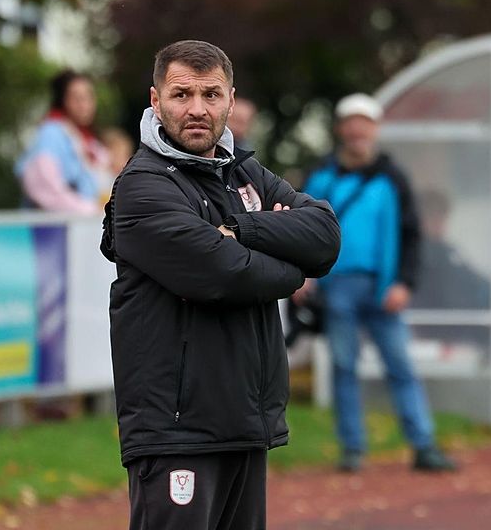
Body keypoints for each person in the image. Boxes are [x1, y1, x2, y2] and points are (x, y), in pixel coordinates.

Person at [100, 40, 340, 530]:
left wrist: (244, 230)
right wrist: (288, 269)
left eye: (211, 95)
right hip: (178, 431)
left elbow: (324, 237)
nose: (196, 109)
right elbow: (223, 273)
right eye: (181, 94)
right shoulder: (143, 185)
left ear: (231, 100)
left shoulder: (243, 171)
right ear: (155, 100)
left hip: (245, 421)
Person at [297, 93, 457, 473]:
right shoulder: (321, 177)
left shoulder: (393, 179)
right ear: (341, 129)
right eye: (350, 122)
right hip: (335, 286)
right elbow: (299, 228)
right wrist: (303, 272)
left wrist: (404, 282)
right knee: (343, 367)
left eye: (364, 123)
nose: (357, 130)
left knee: (400, 366)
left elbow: (411, 234)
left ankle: (423, 444)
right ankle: (353, 448)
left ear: (375, 128)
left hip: (384, 288)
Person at [16, 69, 111, 213]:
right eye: (77, 98)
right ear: (63, 100)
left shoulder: (90, 142)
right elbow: (45, 190)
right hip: (53, 230)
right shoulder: (51, 134)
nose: (84, 104)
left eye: (88, 97)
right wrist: (93, 209)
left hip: (87, 228)